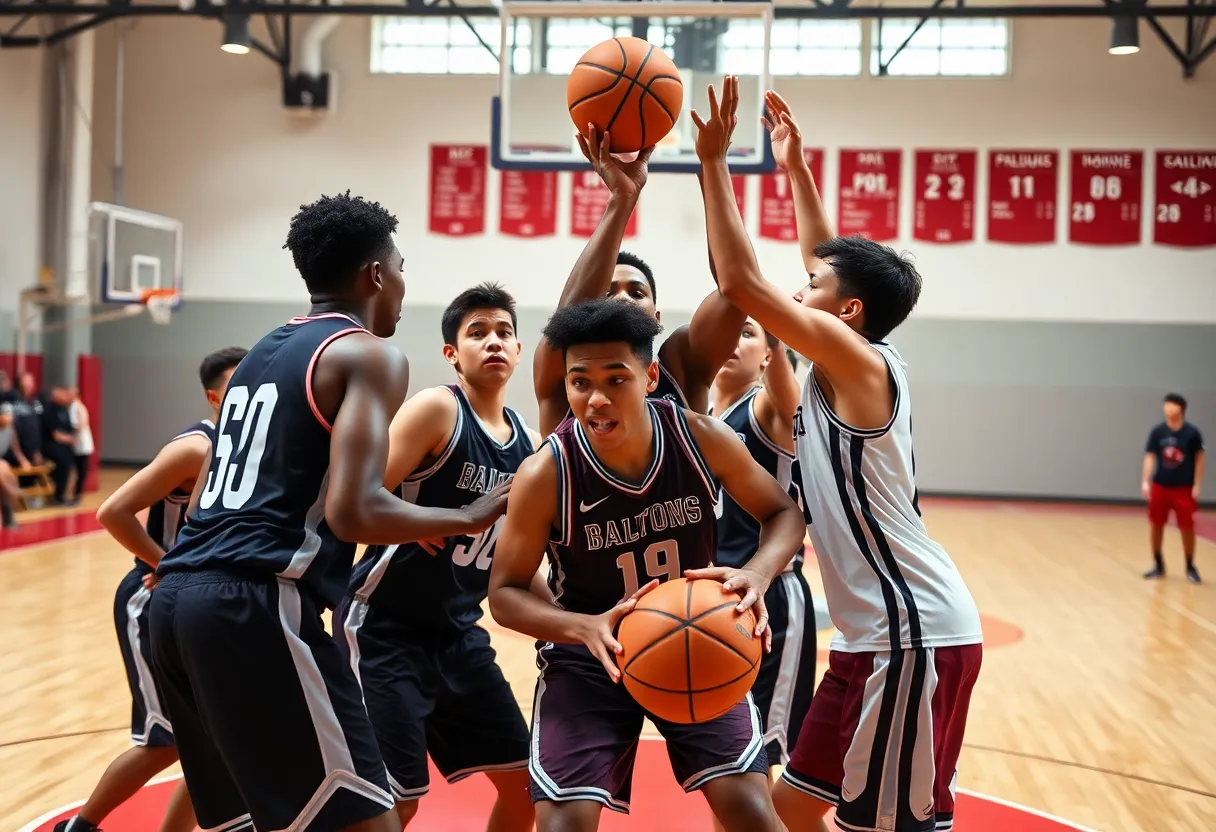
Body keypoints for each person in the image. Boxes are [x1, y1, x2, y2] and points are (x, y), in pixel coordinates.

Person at [146, 191, 510, 832]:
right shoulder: (369, 354)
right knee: (367, 820)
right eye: (400, 267)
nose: (402, 284)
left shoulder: (262, 351)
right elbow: (354, 510)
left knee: (251, 822)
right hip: (256, 603)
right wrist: (467, 516)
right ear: (375, 275)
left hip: (178, 600)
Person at [693, 79, 983, 832]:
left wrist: (715, 166)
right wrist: (794, 168)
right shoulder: (841, 365)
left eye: (813, 286)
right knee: (788, 811)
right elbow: (828, 263)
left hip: (912, 633)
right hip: (868, 641)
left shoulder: (862, 368)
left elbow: (741, 284)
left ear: (847, 312)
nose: (801, 285)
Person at [488, 298, 806, 832]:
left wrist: (755, 572)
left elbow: (783, 513)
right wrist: (581, 626)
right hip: (589, 658)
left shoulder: (699, 437)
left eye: (616, 379)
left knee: (753, 812)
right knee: (563, 824)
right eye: (579, 382)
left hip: (699, 637)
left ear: (651, 374)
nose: (596, 399)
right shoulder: (547, 472)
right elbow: (504, 593)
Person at [335, 282, 542, 830]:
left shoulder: (528, 446)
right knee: (394, 803)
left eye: (504, 332)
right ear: (452, 353)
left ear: (519, 352)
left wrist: (584, 619)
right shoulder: (435, 409)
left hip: (459, 636)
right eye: (477, 332)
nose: (493, 341)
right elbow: (358, 498)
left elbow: (513, 565)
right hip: (385, 630)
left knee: (526, 789)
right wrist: (424, 522)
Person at [54, 347, 247, 832]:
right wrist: (171, 563)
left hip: (199, 600)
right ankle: (79, 827)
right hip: (153, 593)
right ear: (214, 397)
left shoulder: (250, 451)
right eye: (236, 385)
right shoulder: (195, 448)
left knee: (214, 740)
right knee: (167, 740)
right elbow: (112, 512)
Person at [532, 129, 745, 436]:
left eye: (636, 292)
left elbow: (736, 291)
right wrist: (622, 198)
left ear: (656, 316)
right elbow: (569, 318)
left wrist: (713, 167)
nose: (622, 298)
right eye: (609, 292)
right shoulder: (561, 366)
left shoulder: (681, 364)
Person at [709, 316, 815, 775]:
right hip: (715, 600)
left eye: (748, 333)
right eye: (730, 330)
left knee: (767, 762)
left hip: (770, 596)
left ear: (769, 353)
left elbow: (788, 396)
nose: (734, 339)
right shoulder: (704, 419)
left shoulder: (768, 411)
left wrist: (760, 307)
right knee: (728, 762)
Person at [1142, 392, 1204, 583]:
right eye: (1166, 405)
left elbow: (1200, 458)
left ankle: (1190, 566)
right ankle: (1158, 564)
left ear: (1181, 409)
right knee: (1156, 525)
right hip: (1161, 486)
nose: (1168, 408)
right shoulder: (1157, 432)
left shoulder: (1191, 433)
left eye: (1172, 405)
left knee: (1187, 527)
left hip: (1183, 488)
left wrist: (1197, 483)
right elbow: (1150, 456)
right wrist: (1146, 480)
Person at [69, 387, 95, 503]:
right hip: (82, 442)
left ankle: (76, 493)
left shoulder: (75, 406)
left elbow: (79, 424)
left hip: (80, 442)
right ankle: (76, 492)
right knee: (81, 469)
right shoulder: (78, 406)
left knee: (81, 469)